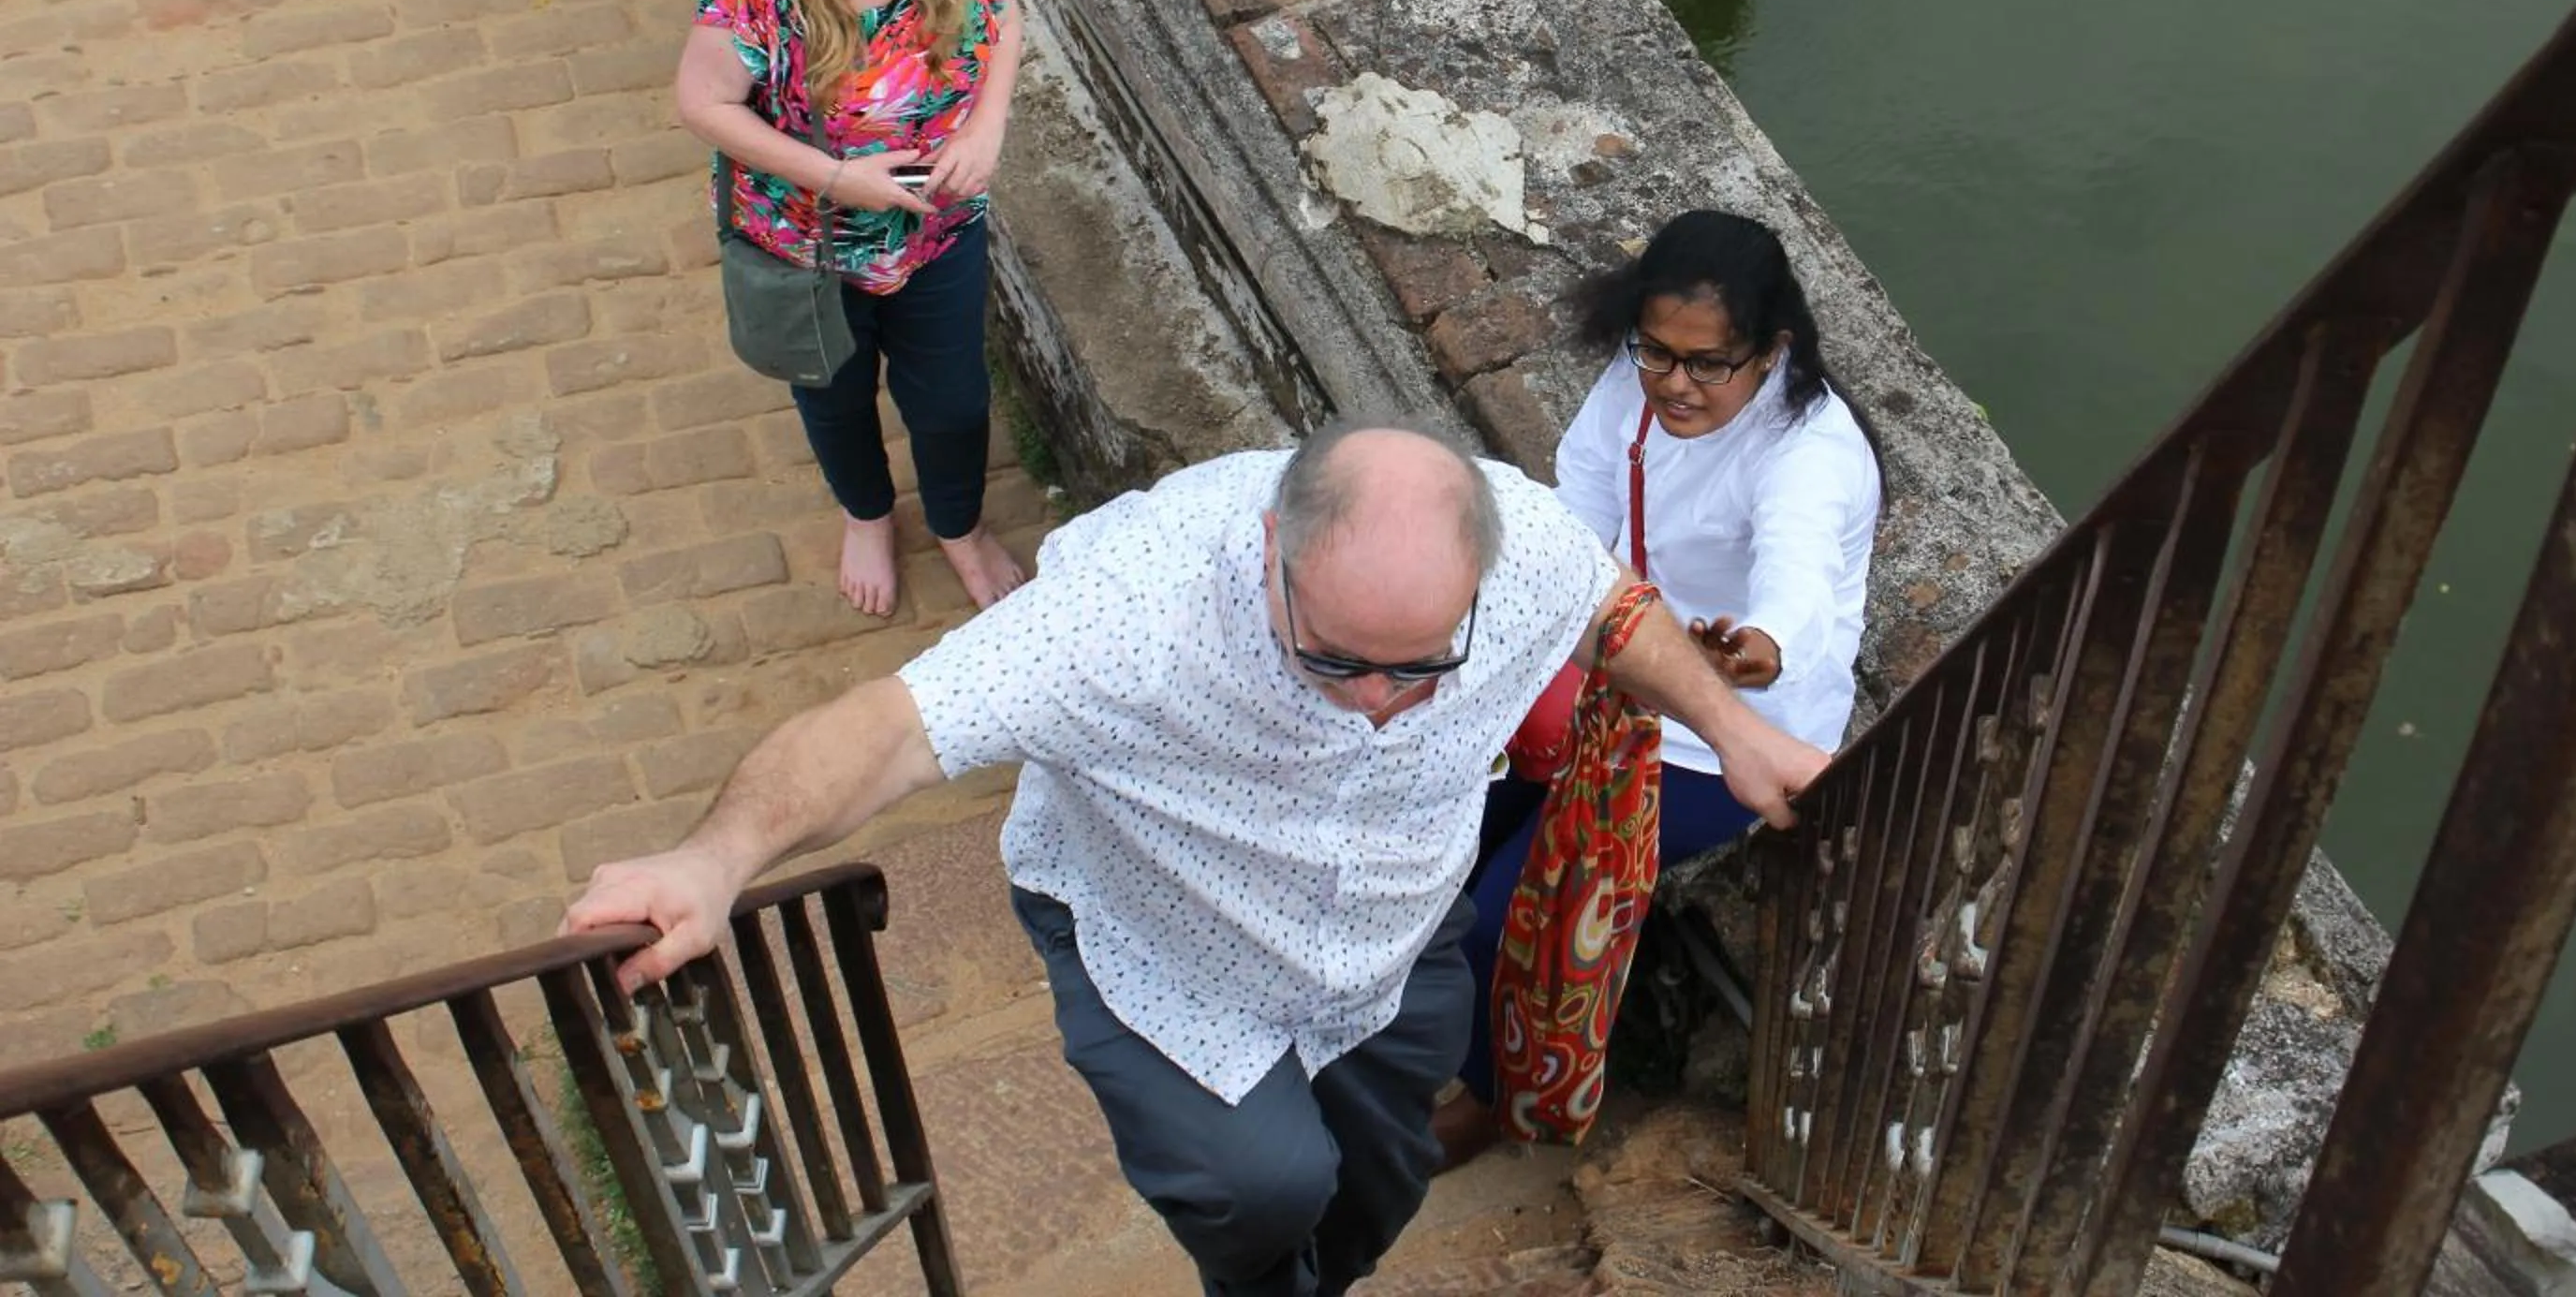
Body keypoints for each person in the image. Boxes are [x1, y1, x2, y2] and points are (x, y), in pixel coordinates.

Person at [562, 421, 1830, 1297]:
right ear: (1271, 549)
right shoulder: (1127, 611)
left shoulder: (1518, 547)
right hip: (1169, 944)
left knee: (1374, 1187)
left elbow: (1610, 607)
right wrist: (717, 858)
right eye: (1335, 660)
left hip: (1385, 943)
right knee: (1263, 1187)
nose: (1381, 702)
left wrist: (1736, 731)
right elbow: (885, 731)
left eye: (1419, 668)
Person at [1434, 209, 1882, 1168]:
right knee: (1440, 823)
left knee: (1511, 911)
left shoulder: (1811, 455)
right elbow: (1578, 512)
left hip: (1715, 739)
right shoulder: (1635, 385)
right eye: (1657, 352)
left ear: (1773, 351)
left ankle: (1494, 1093)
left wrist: (1760, 642)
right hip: (1608, 669)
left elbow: (1796, 580)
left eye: (1708, 363)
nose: (1677, 384)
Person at [676, 0, 1029, 616]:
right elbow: (702, 99)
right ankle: (867, 514)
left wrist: (986, 129)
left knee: (951, 403)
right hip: (806, 242)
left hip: (938, 227)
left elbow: (1005, 16)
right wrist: (839, 178)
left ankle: (957, 525)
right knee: (833, 393)